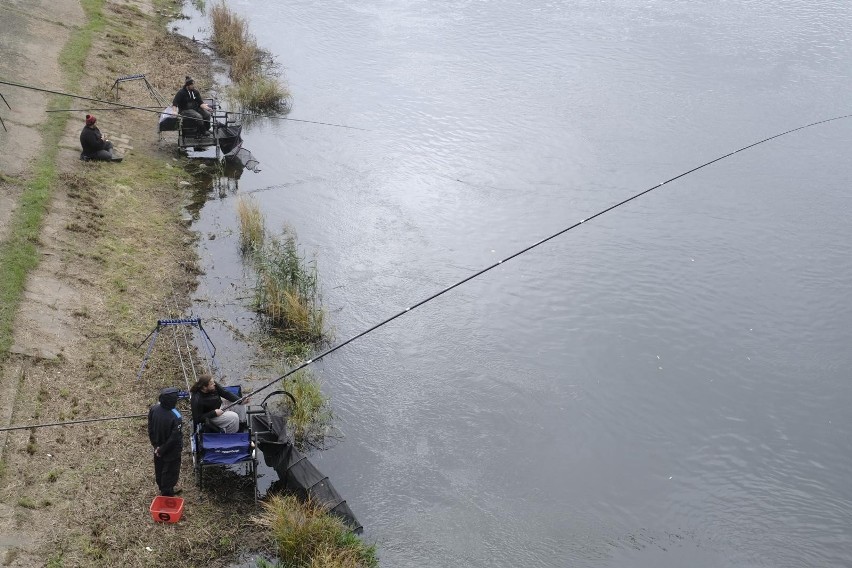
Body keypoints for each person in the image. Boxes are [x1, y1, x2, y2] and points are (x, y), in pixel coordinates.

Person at [147, 387, 183, 496]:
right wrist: (163, 449)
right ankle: (167, 492)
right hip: (171, 450)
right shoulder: (176, 415)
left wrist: (156, 446)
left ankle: (162, 487)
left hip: (157, 447)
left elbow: (150, 428)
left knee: (159, 467)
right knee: (171, 471)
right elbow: (175, 437)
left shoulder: (154, 408)